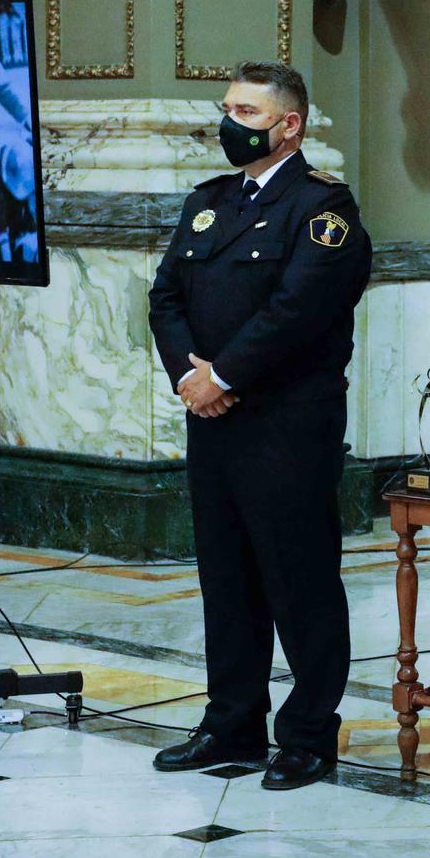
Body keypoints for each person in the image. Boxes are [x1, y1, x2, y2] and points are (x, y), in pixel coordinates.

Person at [147, 61, 372, 791]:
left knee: (298, 577)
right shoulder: (208, 203)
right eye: (227, 107)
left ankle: (308, 733)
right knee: (227, 577)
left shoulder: (324, 211)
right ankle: (233, 722)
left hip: (286, 427)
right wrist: (190, 376)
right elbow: (165, 296)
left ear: (289, 125)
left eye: (245, 111)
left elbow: (296, 311)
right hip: (212, 424)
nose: (229, 122)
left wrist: (223, 375)